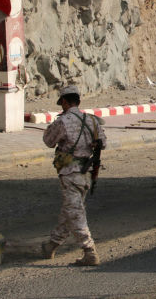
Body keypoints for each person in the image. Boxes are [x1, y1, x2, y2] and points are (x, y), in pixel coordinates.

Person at [38, 85, 108, 266]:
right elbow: (103, 142)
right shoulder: (92, 120)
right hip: (86, 172)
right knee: (70, 209)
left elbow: (48, 141)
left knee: (74, 212)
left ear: (64, 101)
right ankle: (51, 245)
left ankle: (89, 251)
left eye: (61, 102)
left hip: (70, 172)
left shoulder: (63, 121)